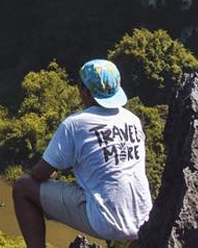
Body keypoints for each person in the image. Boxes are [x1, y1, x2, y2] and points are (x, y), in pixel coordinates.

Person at [12, 59, 152, 248]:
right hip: (144, 221)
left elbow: (40, 174)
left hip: (106, 221)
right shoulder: (133, 120)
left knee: (22, 188)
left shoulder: (76, 124)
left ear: (85, 90)